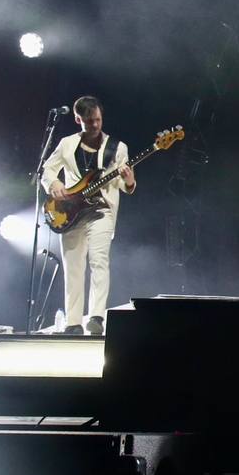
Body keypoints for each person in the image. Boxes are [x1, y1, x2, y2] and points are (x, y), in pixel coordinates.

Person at [41, 95, 136, 335]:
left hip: (101, 210)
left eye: (97, 120)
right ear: (78, 119)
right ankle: (73, 322)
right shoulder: (67, 144)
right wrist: (54, 184)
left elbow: (125, 185)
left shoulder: (117, 147)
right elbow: (47, 169)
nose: (94, 125)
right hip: (71, 210)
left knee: (98, 260)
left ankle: (96, 317)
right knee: (73, 266)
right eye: (89, 121)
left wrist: (129, 180)